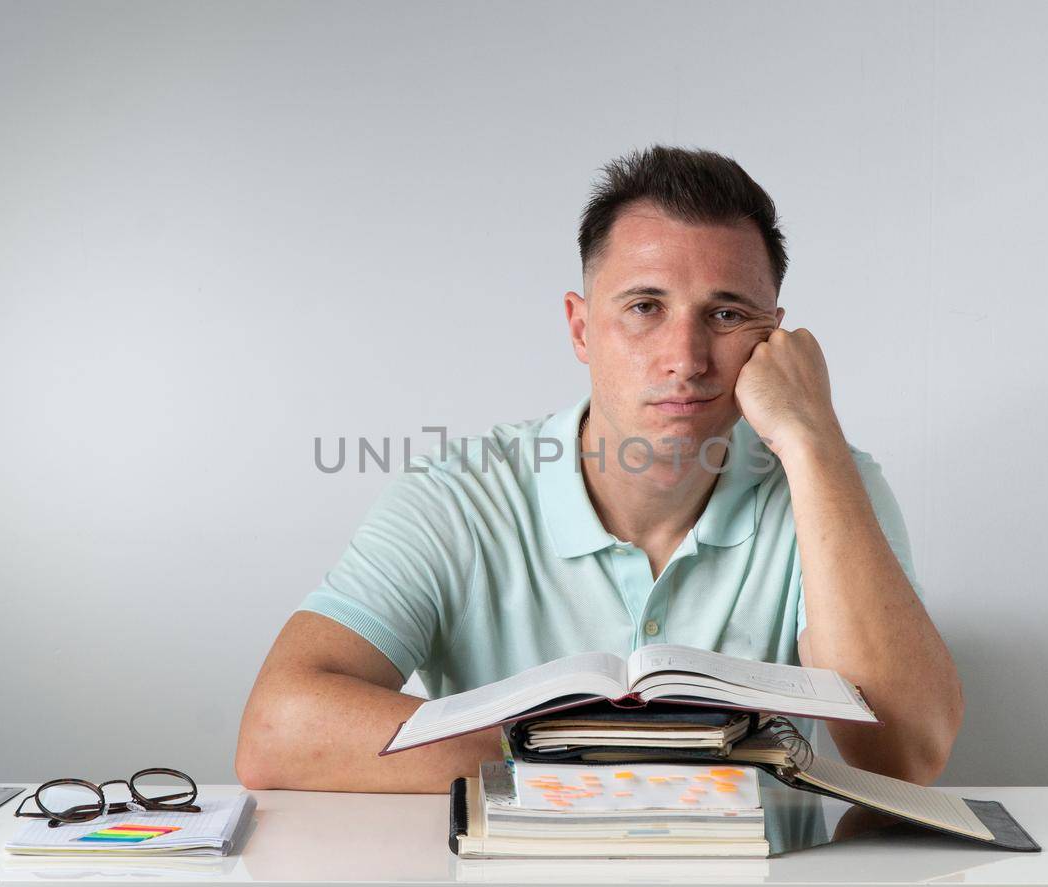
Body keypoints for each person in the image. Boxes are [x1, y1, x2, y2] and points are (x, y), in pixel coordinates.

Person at [235, 145, 963, 792]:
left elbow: (907, 756)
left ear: (775, 338)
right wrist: (586, 758)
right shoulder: (458, 498)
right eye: (645, 306)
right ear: (582, 329)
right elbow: (278, 731)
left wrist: (812, 442)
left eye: (726, 315)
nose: (686, 357)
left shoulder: (832, 482)